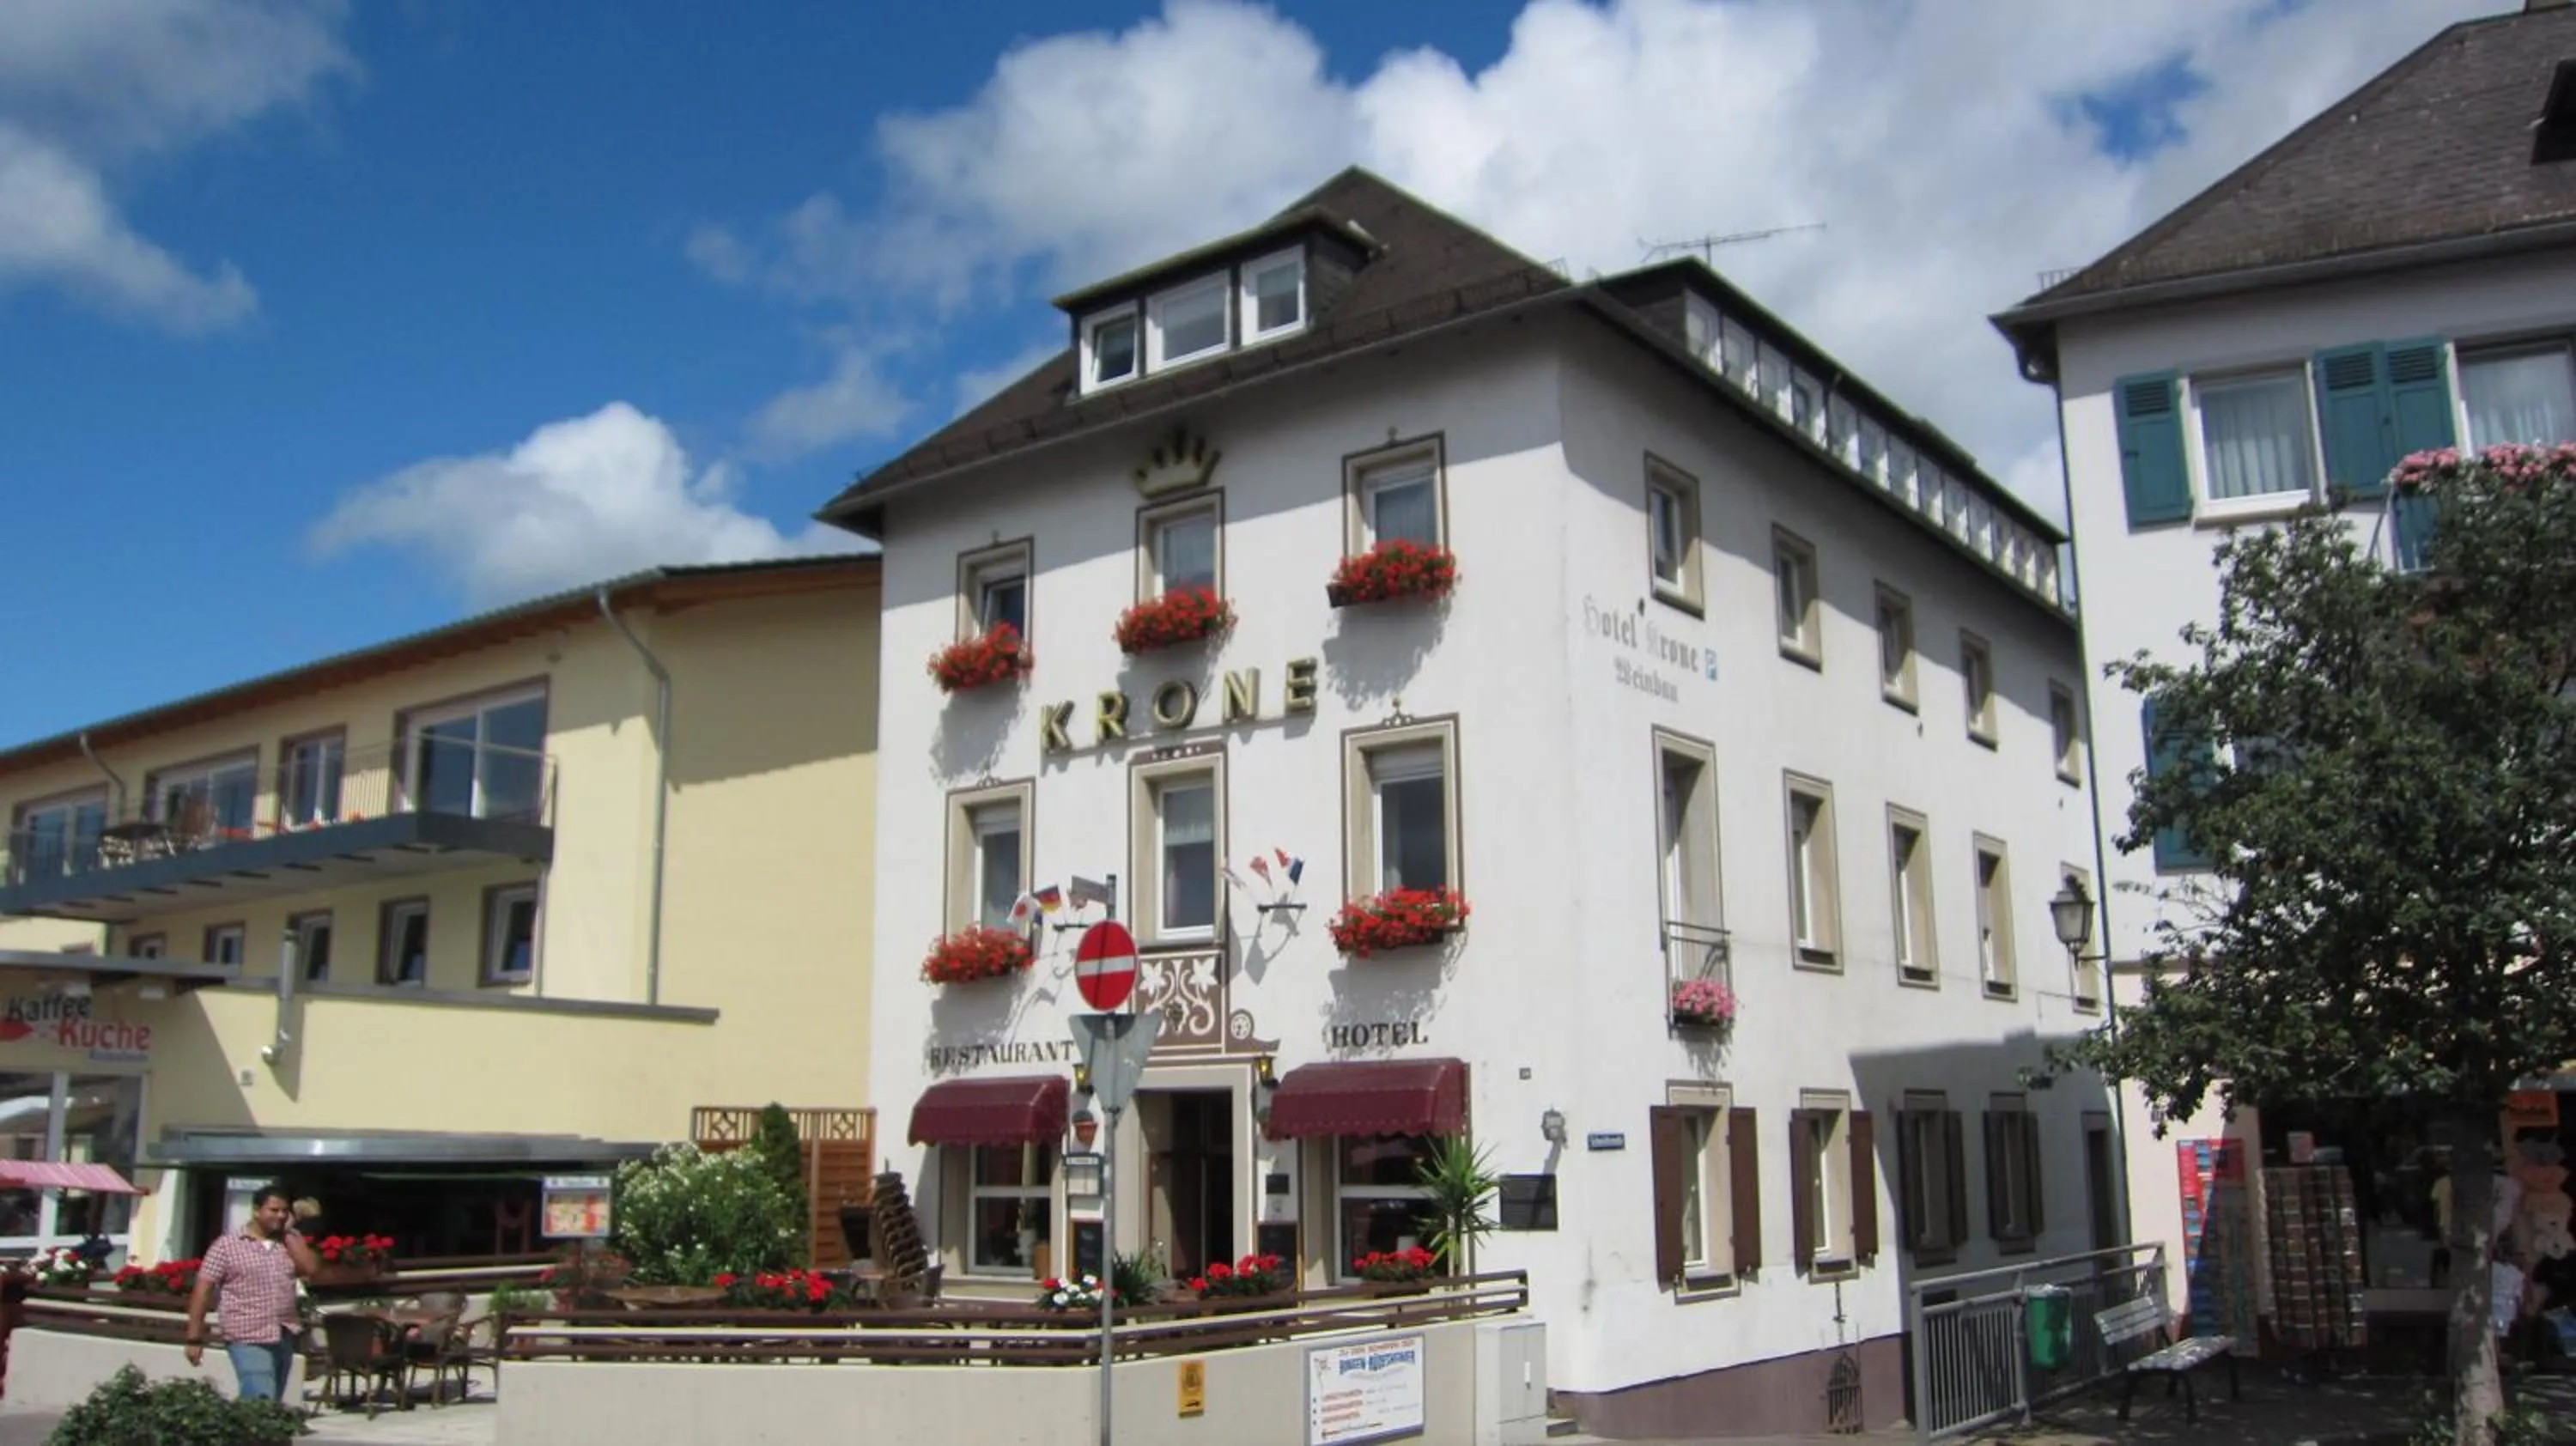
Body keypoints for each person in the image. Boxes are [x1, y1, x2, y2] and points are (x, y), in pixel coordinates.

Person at [184, 1183, 318, 1401]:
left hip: (282, 1332)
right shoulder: (227, 1246)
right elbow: (203, 1290)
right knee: (260, 1396)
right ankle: (249, 1432)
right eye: (274, 1210)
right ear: (257, 1211)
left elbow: (311, 1269)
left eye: (285, 1211)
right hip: (247, 1334)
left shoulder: (288, 1242)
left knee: (271, 1399)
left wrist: (290, 1236)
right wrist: (194, 1338)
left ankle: (249, 1433)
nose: (281, 1216)